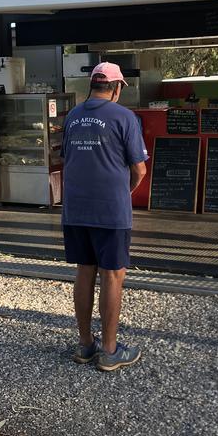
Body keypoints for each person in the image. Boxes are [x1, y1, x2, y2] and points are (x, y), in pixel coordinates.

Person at [61, 62, 148, 372]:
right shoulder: (125, 117)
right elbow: (139, 168)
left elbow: (67, 158)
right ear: (117, 87)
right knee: (112, 274)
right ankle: (110, 351)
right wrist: (125, 191)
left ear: (92, 85)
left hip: (75, 208)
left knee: (85, 271)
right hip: (110, 209)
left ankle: (86, 345)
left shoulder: (72, 116)